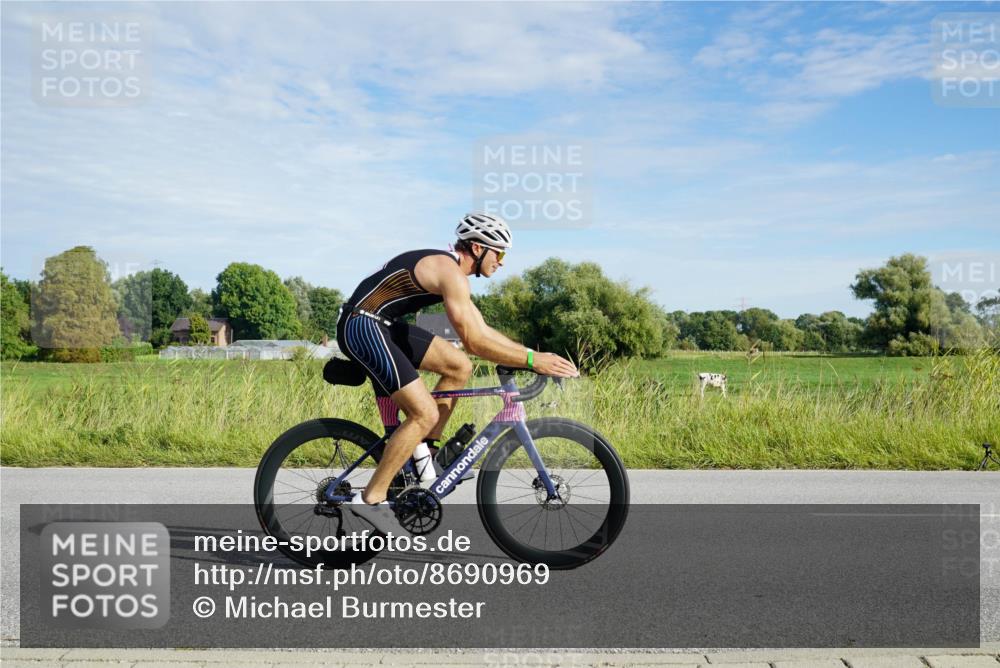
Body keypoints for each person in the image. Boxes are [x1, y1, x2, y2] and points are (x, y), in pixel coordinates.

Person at [337, 213, 579, 534]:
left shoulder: (453, 274)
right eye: (499, 253)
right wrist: (534, 360)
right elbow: (474, 341)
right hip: (362, 324)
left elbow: (483, 330)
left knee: (459, 366)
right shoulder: (449, 272)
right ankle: (371, 498)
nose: (502, 262)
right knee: (423, 413)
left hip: (384, 325)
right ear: (478, 248)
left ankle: (427, 458)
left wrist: (529, 356)